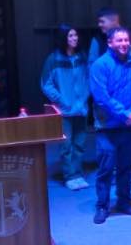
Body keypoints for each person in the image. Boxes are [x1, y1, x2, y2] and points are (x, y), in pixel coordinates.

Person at [89, 28, 131, 224]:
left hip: (130, 126)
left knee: (126, 168)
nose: (124, 43)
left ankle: (124, 202)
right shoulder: (100, 65)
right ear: (110, 43)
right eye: (119, 40)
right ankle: (102, 206)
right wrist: (124, 114)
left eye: (126, 40)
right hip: (107, 127)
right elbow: (101, 97)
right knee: (106, 169)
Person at [41, 24, 90, 190]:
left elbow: (88, 79)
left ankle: (78, 174)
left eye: (75, 35)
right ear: (63, 38)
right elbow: (46, 84)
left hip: (81, 109)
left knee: (79, 143)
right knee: (66, 145)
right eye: (70, 36)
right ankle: (69, 176)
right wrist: (61, 100)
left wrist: (85, 97)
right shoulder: (53, 59)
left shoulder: (81, 56)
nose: (75, 38)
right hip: (64, 110)